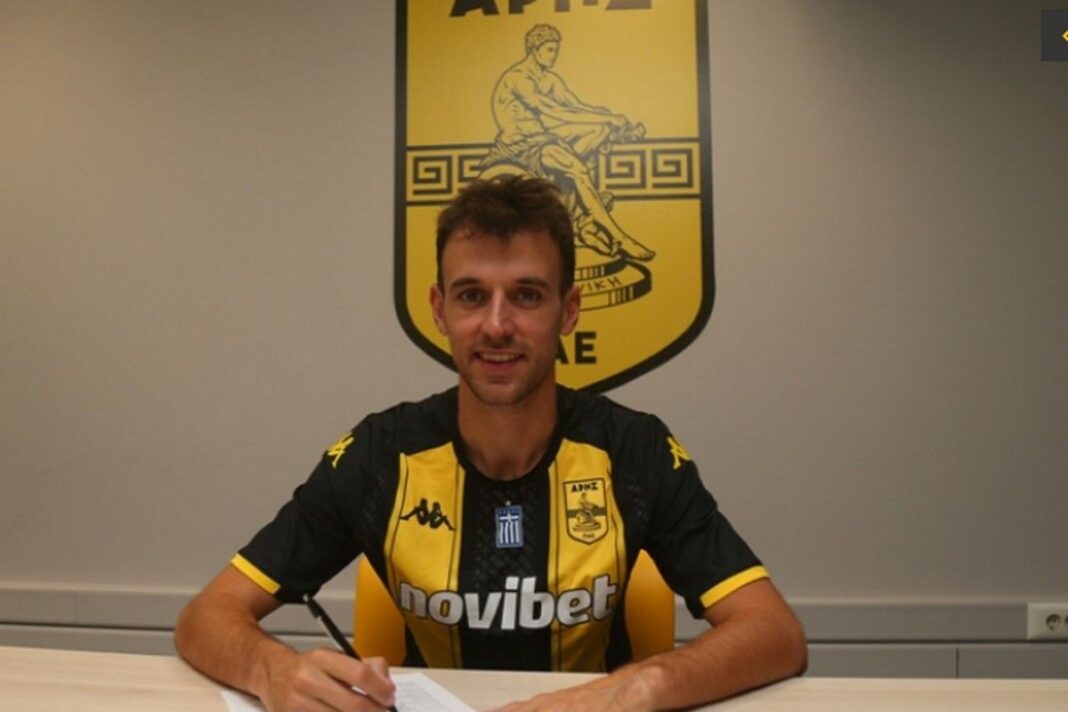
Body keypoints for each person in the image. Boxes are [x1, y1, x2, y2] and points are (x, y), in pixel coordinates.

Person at [174, 176, 807, 711]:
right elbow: (207, 615)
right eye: (472, 295)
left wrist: (638, 686)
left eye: (526, 295)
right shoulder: (380, 455)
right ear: (439, 310)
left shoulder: (633, 450)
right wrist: (273, 671)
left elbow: (775, 632)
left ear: (568, 311)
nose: (497, 325)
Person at [481, 23, 654, 261]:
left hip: (544, 140)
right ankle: (618, 238)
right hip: (520, 148)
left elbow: (575, 107)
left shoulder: (550, 79)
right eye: (550, 50)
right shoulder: (518, 78)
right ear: (534, 49)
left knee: (599, 130)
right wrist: (608, 118)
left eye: (556, 50)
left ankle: (581, 212)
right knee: (578, 169)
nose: (554, 55)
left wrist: (610, 120)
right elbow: (554, 111)